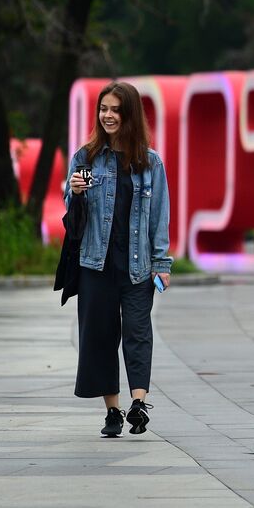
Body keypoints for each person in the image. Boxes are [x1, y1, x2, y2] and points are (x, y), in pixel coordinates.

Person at [66, 81, 172, 437]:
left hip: (138, 267)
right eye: (103, 109)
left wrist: (162, 264)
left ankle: (138, 403)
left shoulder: (151, 163)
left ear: (130, 115)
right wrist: (75, 193)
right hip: (95, 264)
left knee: (138, 333)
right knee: (100, 336)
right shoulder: (85, 157)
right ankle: (113, 410)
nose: (108, 116)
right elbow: (72, 213)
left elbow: (159, 216)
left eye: (115, 110)